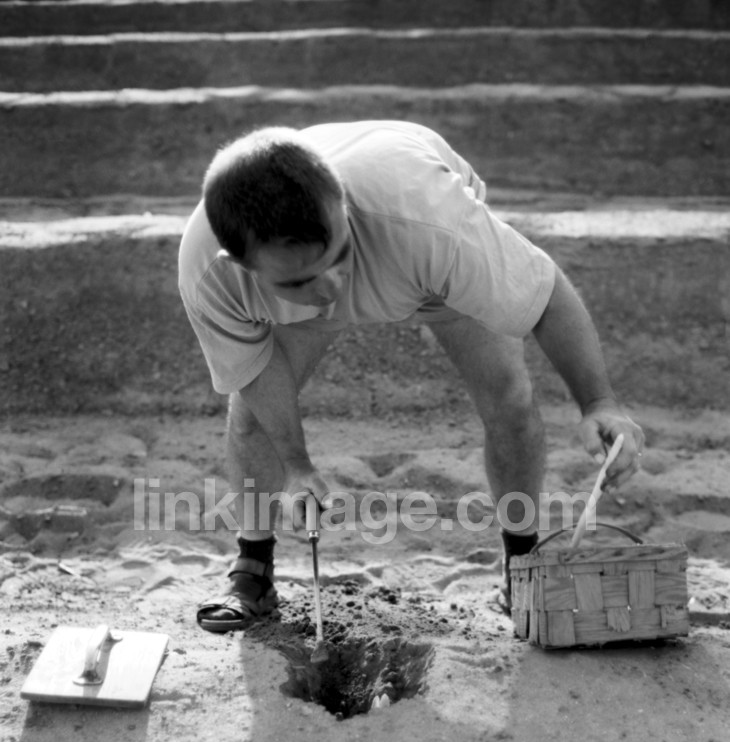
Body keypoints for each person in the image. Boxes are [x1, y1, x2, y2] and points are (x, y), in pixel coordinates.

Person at [178, 119, 643, 633]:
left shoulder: (430, 220)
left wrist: (598, 402)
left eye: (338, 257)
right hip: (347, 271)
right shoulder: (207, 272)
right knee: (252, 419)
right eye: (302, 279)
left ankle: (521, 566)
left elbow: (547, 296)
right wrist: (296, 467)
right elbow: (256, 371)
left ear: (343, 208)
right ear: (238, 264)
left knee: (510, 399)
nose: (331, 288)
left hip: (420, 266)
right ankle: (253, 569)